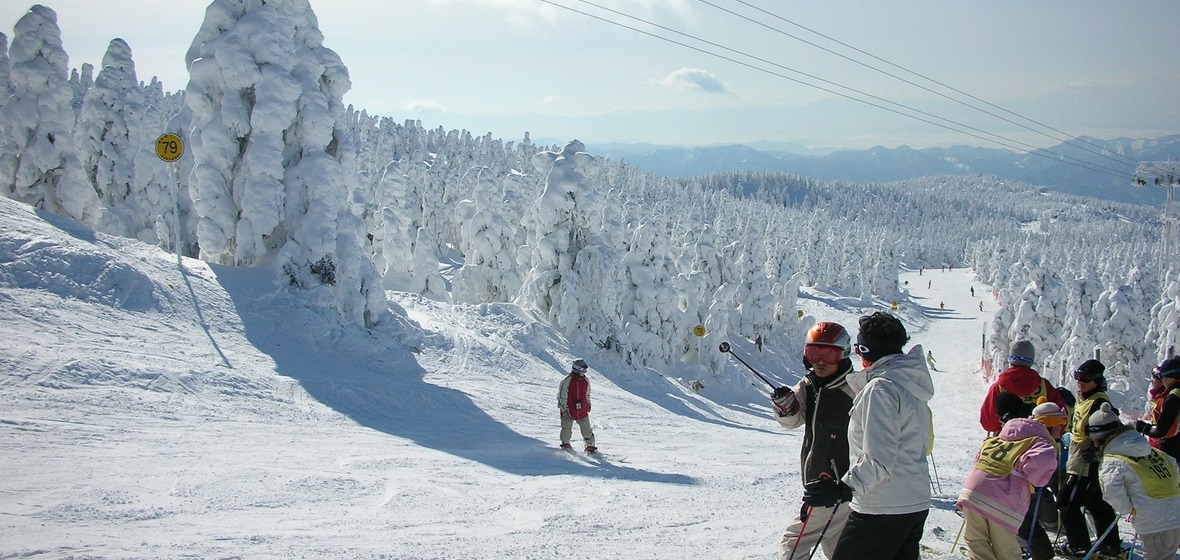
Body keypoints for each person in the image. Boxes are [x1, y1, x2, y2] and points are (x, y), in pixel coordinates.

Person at [804, 311, 934, 560]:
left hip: (883, 506)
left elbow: (879, 458)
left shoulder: (881, 389)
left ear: (864, 349)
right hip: (913, 502)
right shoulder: (908, 382)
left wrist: (842, 489)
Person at [770, 322, 856, 560]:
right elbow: (793, 420)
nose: (820, 361)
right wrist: (786, 408)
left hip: (833, 490)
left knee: (793, 544)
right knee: (837, 548)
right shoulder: (810, 385)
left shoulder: (855, 391)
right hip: (827, 490)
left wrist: (847, 486)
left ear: (843, 354)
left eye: (829, 354)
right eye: (813, 353)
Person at [957, 392, 1058, 560]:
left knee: (977, 543)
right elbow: (1039, 471)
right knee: (1005, 549)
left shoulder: (1000, 437)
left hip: (972, 492)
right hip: (1003, 501)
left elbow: (979, 457)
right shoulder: (1039, 441)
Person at [1090, 403, 1180, 560]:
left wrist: (1130, 509)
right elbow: (1174, 471)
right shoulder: (1153, 451)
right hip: (1174, 515)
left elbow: (1112, 493)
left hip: (1153, 523)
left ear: (1098, 438)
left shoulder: (1112, 460)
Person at [1057, 359, 1122, 557]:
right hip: (1078, 458)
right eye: (1077, 376)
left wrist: (1097, 453)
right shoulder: (1086, 400)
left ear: (1096, 379)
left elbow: (1113, 428)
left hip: (1086, 462)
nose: (1080, 381)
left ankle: (1080, 547)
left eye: (1085, 378)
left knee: (1066, 503)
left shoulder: (1099, 402)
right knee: (1096, 503)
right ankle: (1109, 546)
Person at [978, 340, 1069, 435]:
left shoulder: (999, 387)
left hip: (1008, 442)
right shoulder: (1044, 386)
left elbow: (988, 423)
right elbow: (1062, 420)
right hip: (1039, 443)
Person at [1019, 396, 1071, 560]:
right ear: (1048, 426)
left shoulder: (1028, 433)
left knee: (1027, 526)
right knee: (1028, 526)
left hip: (1022, 490)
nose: (1060, 430)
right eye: (1058, 426)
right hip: (1026, 490)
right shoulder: (1043, 443)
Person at [1136, 357, 1180, 460]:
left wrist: (1143, 427)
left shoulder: (1173, 397)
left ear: (1170, 376)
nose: (1162, 380)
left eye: (1161, 376)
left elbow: (1161, 430)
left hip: (1172, 447)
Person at [558, 358, 596, 453]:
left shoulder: (585, 380)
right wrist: (564, 408)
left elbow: (587, 393)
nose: (585, 372)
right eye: (583, 370)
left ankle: (590, 445)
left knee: (586, 428)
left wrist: (588, 403)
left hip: (581, 408)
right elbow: (562, 395)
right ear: (577, 369)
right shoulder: (567, 380)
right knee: (566, 427)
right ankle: (565, 443)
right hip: (568, 409)